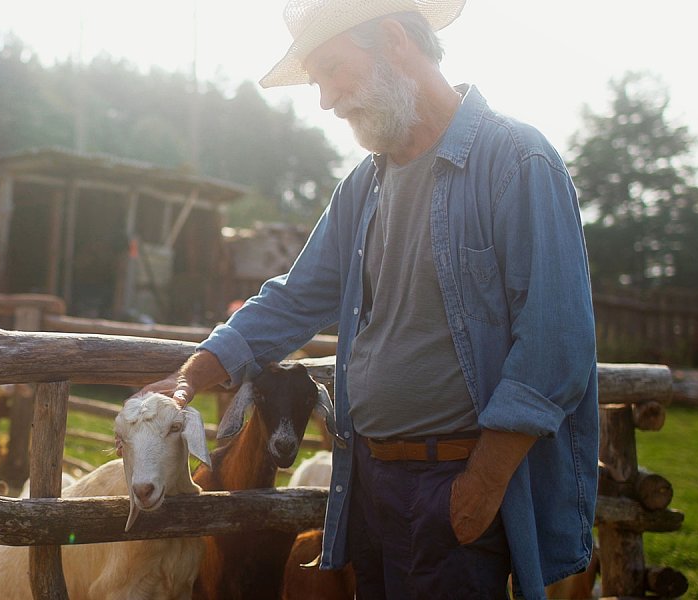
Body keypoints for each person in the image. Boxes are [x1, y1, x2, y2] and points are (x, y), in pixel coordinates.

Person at [142, 0, 599, 597]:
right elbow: (296, 298)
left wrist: (481, 484)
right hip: (370, 478)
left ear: (392, 40)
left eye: (333, 69)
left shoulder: (516, 160)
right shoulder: (365, 186)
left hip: (453, 480)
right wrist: (192, 374)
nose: (326, 99)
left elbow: (555, 343)